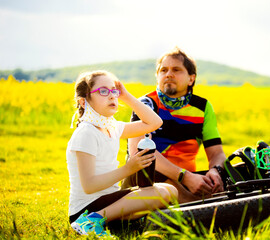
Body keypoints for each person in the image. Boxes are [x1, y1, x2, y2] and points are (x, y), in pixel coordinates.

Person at [66, 70, 178, 237]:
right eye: (103, 91)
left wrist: (126, 96)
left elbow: (155, 122)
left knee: (170, 190)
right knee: (161, 193)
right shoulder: (86, 133)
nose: (112, 96)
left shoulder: (112, 127)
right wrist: (128, 168)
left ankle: (111, 221)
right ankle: (90, 221)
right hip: (86, 207)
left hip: (109, 201)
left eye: (114, 91)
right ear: (83, 102)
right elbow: (89, 186)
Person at [124, 47, 227, 203]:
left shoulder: (203, 107)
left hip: (188, 181)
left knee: (235, 169)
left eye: (176, 70)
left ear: (191, 79)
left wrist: (216, 171)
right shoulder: (145, 104)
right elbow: (138, 152)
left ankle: (201, 200)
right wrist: (184, 177)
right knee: (144, 162)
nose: (169, 74)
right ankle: (195, 204)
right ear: (157, 76)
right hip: (147, 179)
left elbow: (216, 154)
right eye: (163, 70)